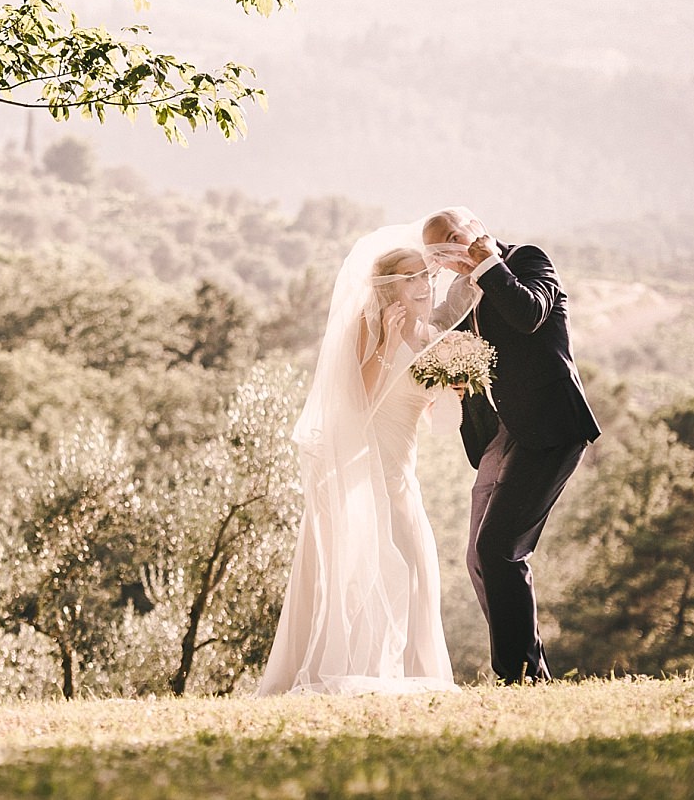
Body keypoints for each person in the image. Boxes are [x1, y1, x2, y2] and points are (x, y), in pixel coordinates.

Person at [258, 221, 477, 695]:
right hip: (366, 464)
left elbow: (433, 418)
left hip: (402, 466)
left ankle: (416, 670)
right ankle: (353, 666)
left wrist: (452, 391)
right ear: (389, 286)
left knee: (415, 566)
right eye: (410, 277)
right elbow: (358, 401)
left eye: (426, 276)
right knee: (368, 566)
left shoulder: (429, 335)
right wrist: (387, 345)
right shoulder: (369, 325)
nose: (423, 285)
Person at [423, 206, 601, 684]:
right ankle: (527, 669)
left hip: (551, 429)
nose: (449, 256)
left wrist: (488, 264)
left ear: (475, 231)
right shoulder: (462, 292)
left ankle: (520, 675)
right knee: (479, 557)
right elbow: (447, 345)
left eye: (453, 241)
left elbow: (528, 316)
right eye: (439, 252)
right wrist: (454, 380)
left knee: (500, 548)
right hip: (500, 436)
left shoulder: (526, 261)